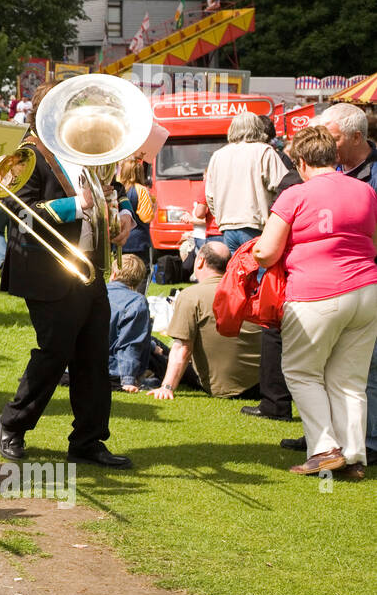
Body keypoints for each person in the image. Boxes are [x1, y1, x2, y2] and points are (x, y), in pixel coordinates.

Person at [0, 84, 137, 469]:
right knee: (54, 353)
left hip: (89, 263)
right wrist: (77, 204)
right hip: (46, 267)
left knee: (93, 354)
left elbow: (116, 186)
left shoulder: (85, 147)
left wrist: (124, 211)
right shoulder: (28, 153)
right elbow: (19, 211)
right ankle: (13, 424)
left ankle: (88, 440)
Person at [252, 127, 377, 479]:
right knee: (350, 380)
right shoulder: (366, 191)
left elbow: (266, 251)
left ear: (301, 162)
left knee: (302, 372)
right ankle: (353, 456)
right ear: (335, 158)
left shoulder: (295, 195)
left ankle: (324, 449)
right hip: (366, 290)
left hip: (316, 292)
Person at [316, 103, 377, 464]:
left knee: (366, 368)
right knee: (326, 364)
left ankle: (367, 440)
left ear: (357, 136)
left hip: (365, 279)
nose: (325, 144)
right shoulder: (331, 170)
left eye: (332, 137)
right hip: (332, 280)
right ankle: (329, 437)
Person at [148, 242, 261, 400]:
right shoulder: (248, 290)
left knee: (147, 345)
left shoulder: (191, 295)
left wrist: (167, 387)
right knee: (157, 346)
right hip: (259, 383)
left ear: (200, 261)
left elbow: (183, 348)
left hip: (223, 385)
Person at [202, 111, 288, 254]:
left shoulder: (218, 155)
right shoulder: (265, 151)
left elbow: (210, 195)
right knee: (261, 273)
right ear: (257, 128)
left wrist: (220, 216)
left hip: (227, 226)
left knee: (237, 273)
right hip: (256, 224)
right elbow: (284, 187)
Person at [107, 254, 161, 392]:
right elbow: (130, 343)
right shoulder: (136, 301)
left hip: (77, 367)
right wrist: (128, 380)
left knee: (157, 347)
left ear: (113, 274)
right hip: (113, 371)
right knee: (163, 363)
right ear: (138, 281)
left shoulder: (97, 293)